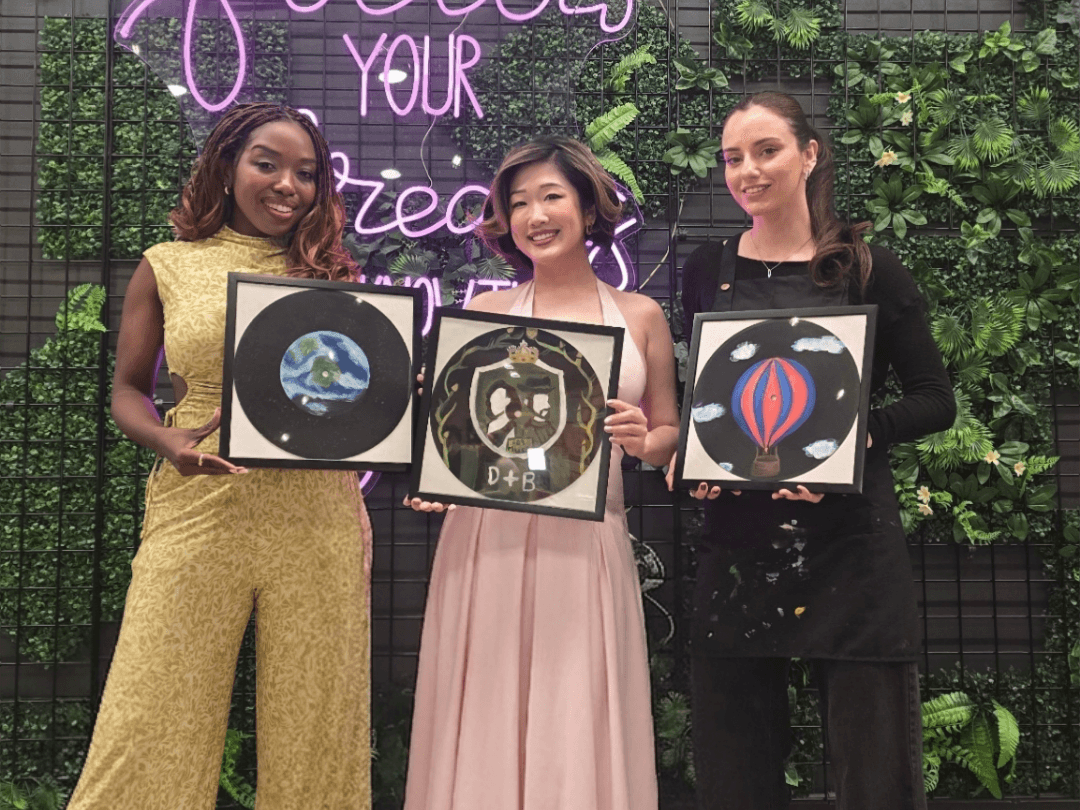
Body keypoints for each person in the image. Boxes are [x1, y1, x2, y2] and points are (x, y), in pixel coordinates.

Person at [67, 103, 372, 809]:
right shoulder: (168, 265)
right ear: (228, 164)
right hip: (200, 506)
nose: (286, 185)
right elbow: (126, 392)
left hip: (319, 515)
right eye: (267, 163)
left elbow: (355, 398)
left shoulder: (336, 281)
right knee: (152, 711)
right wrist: (164, 439)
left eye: (306, 173)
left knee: (318, 724)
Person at [668, 92, 955, 810]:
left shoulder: (868, 268)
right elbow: (710, 402)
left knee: (874, 773)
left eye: (766, 151)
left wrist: (854, 441)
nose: (747, 171)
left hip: (851, 548)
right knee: (735, 772)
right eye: (734, 157)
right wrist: (700, 460)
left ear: (809, 154)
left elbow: (933, 399)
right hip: (737, 547)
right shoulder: (708, 269)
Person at [403, 136, 679, 810]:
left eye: (551, 196)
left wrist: (648, 441)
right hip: (487, 539)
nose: (534, 215)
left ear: (587, 207)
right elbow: (453, 441)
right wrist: (436, 460)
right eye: (517, 203)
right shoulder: (483, 317)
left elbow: (669, 432)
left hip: (587, 541)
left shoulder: (640, 316)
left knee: (578, 700)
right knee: (486, 698)